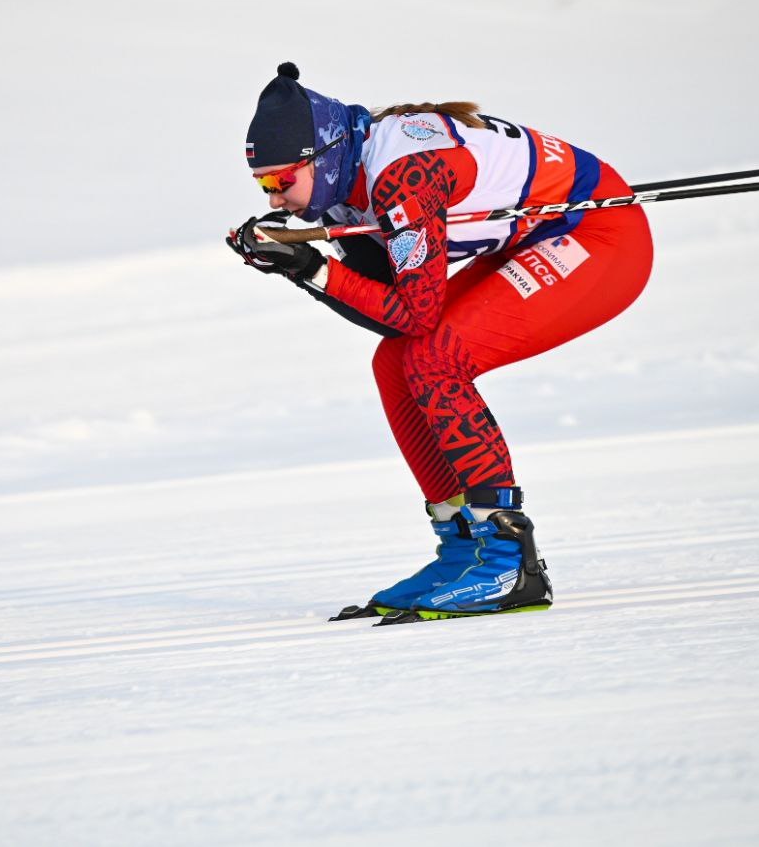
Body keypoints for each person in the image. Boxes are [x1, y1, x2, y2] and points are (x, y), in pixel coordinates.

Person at [227, 62, 653, 623]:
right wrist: (299, 266)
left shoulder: (403, 176)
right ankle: (463, 549)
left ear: (324, 155)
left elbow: (414, 311)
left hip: (597, 236)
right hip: (533, 236)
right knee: (396, 363)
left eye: (283, 180)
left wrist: (311, 268)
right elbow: (390, 316)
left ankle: (505, 558)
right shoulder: (337, 187)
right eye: (264, 184)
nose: (277, 198)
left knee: (436, 358)